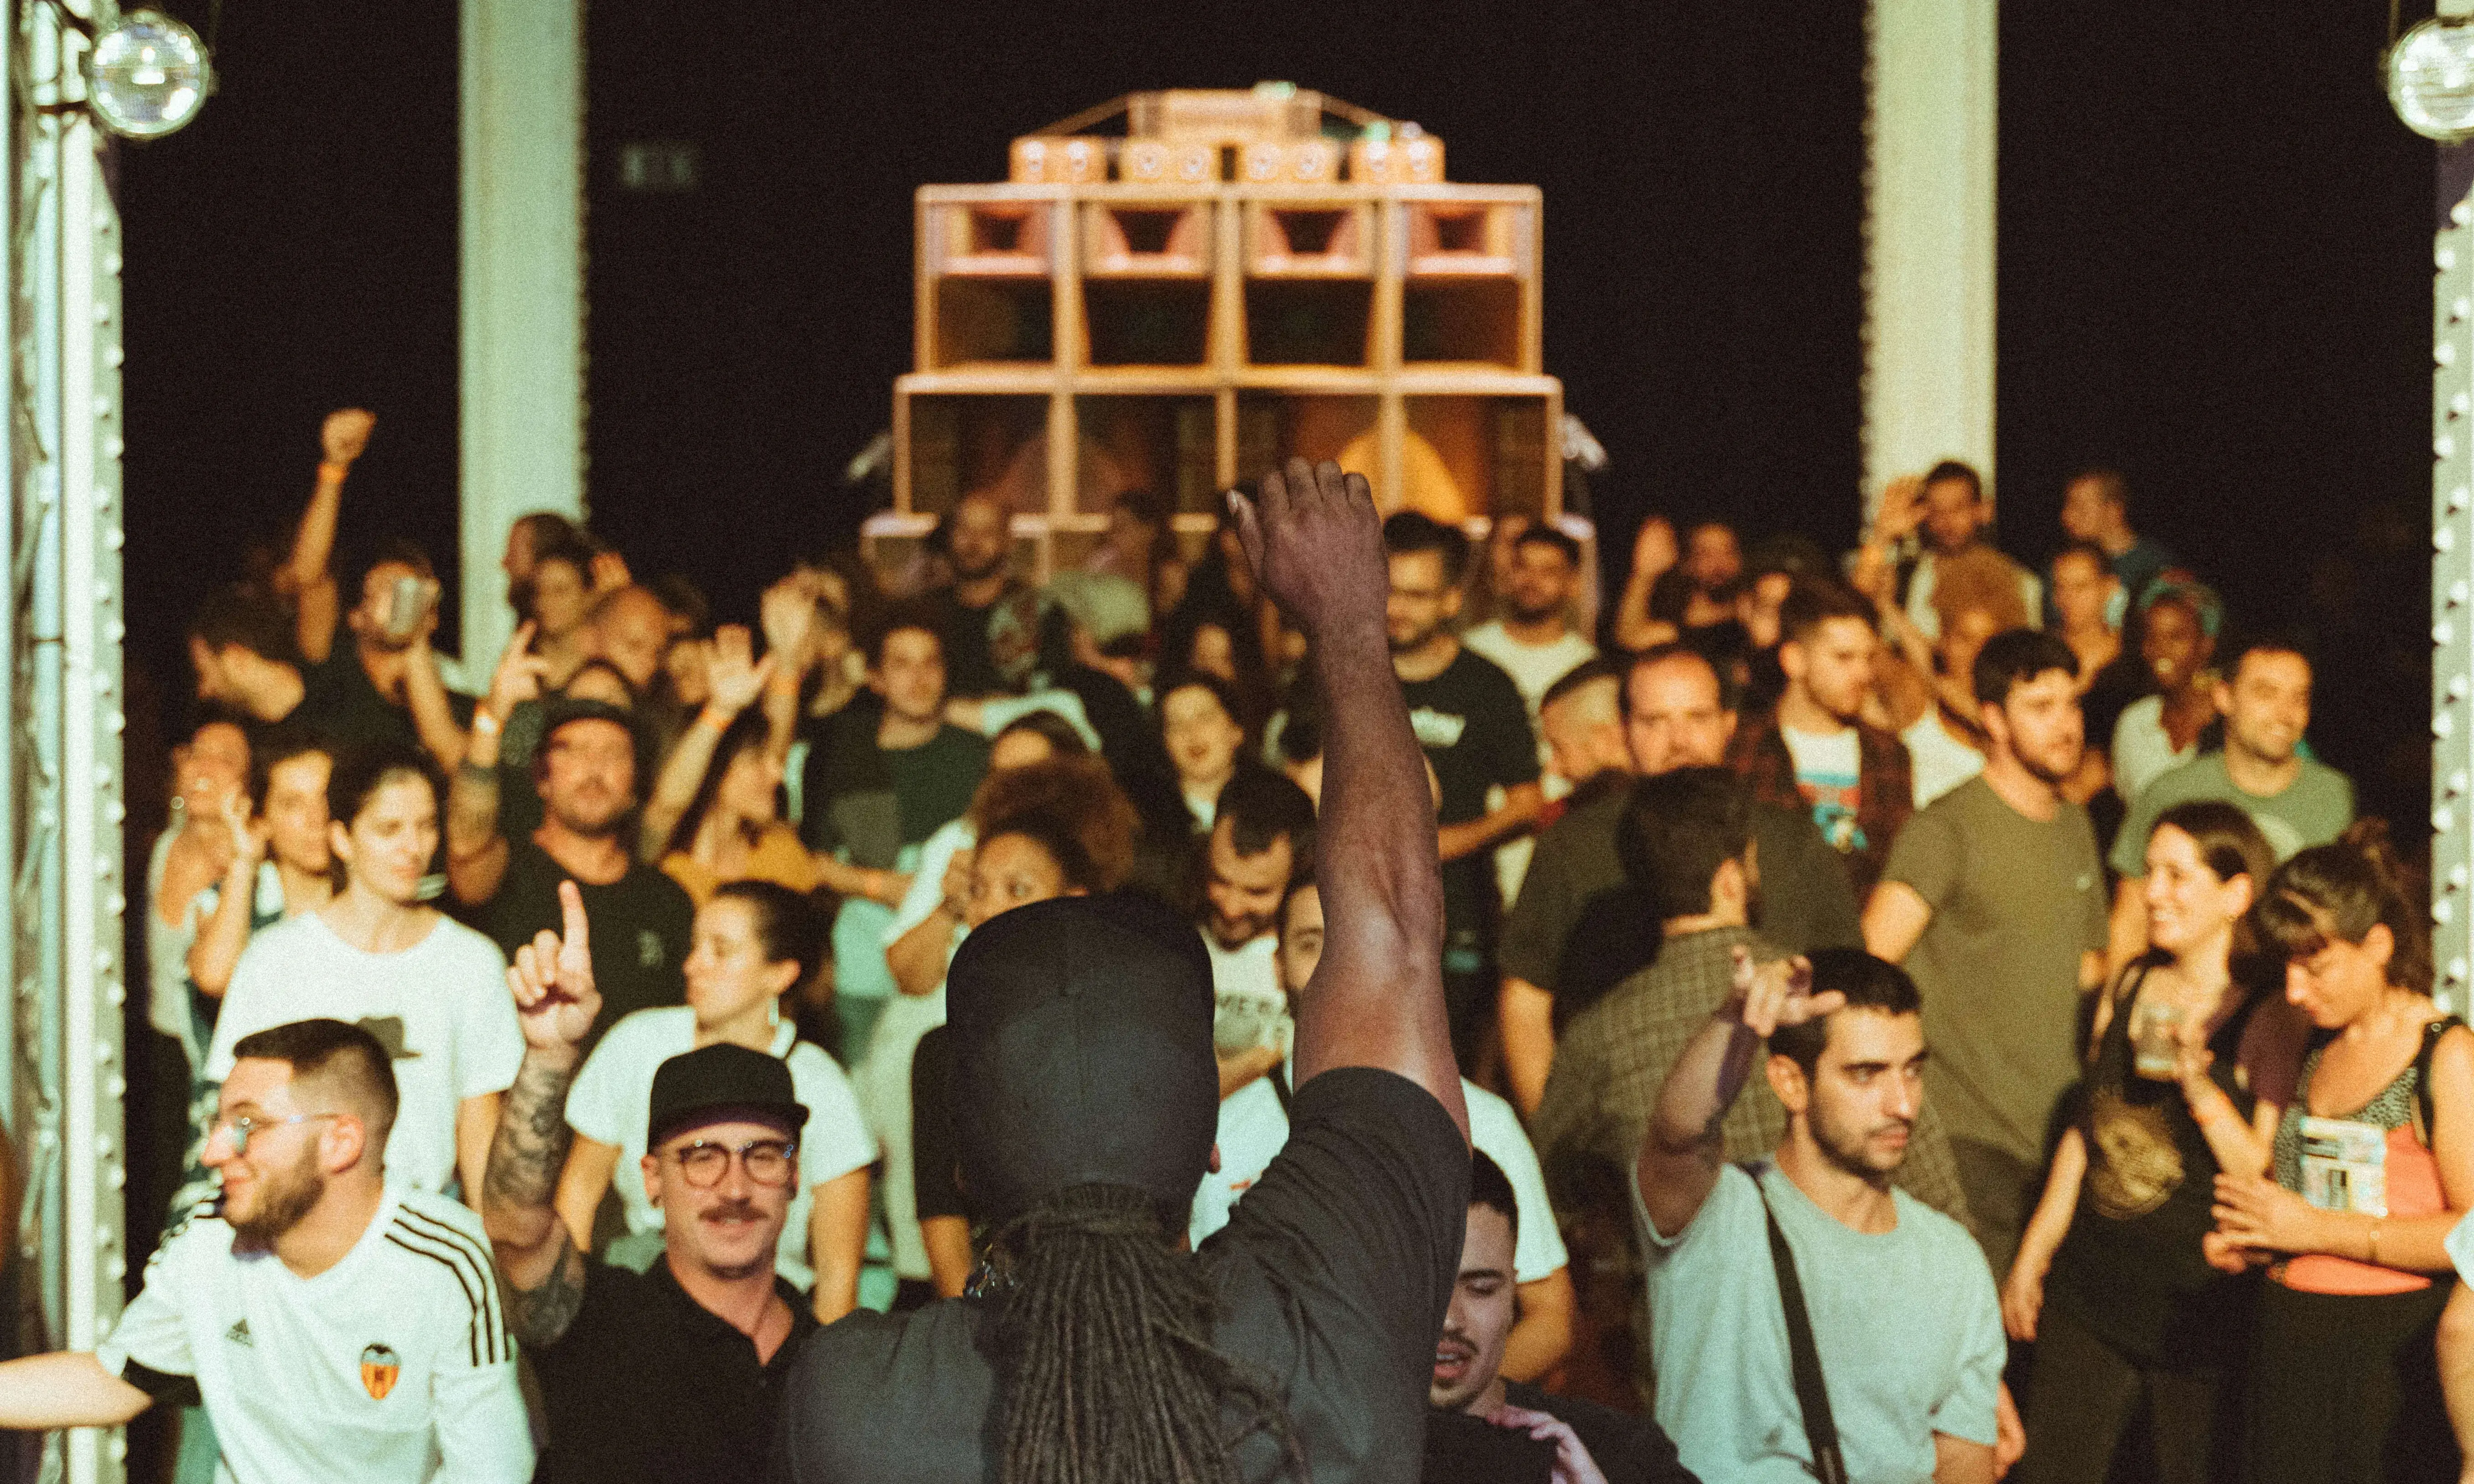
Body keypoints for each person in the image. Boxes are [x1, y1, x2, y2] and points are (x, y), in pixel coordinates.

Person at [781, 457, 1473, 1483]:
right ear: (1208, 1144)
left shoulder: (856, 1398)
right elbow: (1395, 938)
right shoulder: (1330, 1303)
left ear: (963, 1165)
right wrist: (1349, 630)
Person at [0, 1019, 532, 1479]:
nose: (213, 1151)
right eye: (219, 1124)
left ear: (341, 1141)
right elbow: (117, 1381)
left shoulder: (446, 1262)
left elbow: (493, 1470)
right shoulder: (209, 1236)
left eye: (247, 1125)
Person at [1532, 769, 1974, 1283]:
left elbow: (1548, 1192)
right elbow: (1938, 1198)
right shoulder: (1825, 998)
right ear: (1731, 877)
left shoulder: (1602, 1031)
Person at [484, 885, 827, 1481]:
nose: (735, 1186)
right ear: (652, 1179)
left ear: (795, 1175)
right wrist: (548, 1057)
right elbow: (516, 1226)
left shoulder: (836, 1363)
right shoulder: (602, 1324)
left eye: (763, 1155)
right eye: (701, 1157)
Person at [1634, 946, 2006, 1482]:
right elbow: (1676, 1135)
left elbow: (1963, 1463)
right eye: (1865, 1074)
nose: (1902, 1103)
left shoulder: (1954, 1261)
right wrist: (1737, 1022)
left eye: (1913, 1071)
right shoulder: (1720, 1213)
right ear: (1789, 1082)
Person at [2003, 803, 2292, 1484]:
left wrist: (2200, 1086)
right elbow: (2089, 1128)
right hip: (2092, 1290)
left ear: (2236, 893)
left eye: (2176, 875)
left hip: (2191, 1311)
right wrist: (2037, 1245)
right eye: (2150, 871)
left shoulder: (2268, 1010)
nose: (2153, 892)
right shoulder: (2132, 980)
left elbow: (2263, 1170)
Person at [1196, 875, 1579, 1385]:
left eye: (1355, 945)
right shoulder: (1225, 1131)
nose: (1337, 970)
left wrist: (1430, 1425)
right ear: (1277, 963)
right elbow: (1199, 1323)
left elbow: (1551, 1320)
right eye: (1312, 944)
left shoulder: (1483, 1123)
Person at [2211, 825, 2473, 1484]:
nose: (2295, 989)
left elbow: (2473, 1234)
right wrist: (2261, 1238)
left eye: (2316, 965)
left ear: (2378, 945)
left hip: (2387, 1355)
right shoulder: (2311, 1039)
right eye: (2288, 966)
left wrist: (2315, 1230)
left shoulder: (2443, 1054)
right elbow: (2299, 1189)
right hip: (2288, 1342)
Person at [1495, 646, 1862, 1116]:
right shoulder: (1574, 845)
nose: (1679, 740)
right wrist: (1553, 1136)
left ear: (1729, 725)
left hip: (1767, 1114)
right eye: (1655, 722)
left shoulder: (1791, 838)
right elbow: (1525, 996)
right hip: (1622, 1118)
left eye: (1697, 718)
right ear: (1625, 731)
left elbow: (1849, 976)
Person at [1864, 628, 2109, 1277]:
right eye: (2041, 707)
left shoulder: (2076, 825)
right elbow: (1871, 963)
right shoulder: (1947, 828)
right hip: (1964, 1136)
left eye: (2072, 704)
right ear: (1994, 720)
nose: (2065, 724)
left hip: (2055, 1138)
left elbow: (2089, 968)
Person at [208, 745, 523, 1199]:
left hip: (423, 1218)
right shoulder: (276, 958)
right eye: (389, 829)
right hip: (297, 1219)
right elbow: (240, 1115)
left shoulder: (471, 962)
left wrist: (486, 1250)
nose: (413, 848)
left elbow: (480, 1129)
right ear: (341, 839)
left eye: (426, 826)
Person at [552, 881, 874, 1318]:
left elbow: (839, 1276)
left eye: (720, 951)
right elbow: (579, 1195)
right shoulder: (637, 1042)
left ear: (779, 974)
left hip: (769, 1302)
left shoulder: (822, 1086)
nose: (692, 966)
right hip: (647, 1294)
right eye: (695, 946)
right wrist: (577, 1320)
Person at [910, 801, 1133, 1298]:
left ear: (1072, 903)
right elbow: (943, 1217)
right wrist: (968, 1333)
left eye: (1017, 889)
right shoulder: (942, 1053)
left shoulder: (1114, 1039)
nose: (988, 909)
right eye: (978, 889)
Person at [1421, 1151, 1694, 1484]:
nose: (1451, 1319)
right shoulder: (1347, 1454)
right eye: (1428, 1287)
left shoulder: (1620, 1453)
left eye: (1481, 1289)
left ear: (1513, 1296)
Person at [1386, 509, 1546, 1066]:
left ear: (1452, 600)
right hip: (1356, 906)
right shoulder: (1341, 675)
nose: (1395, 609)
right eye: (1386, 590)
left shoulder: (1486, 686)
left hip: (1459, 914)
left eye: (1416, 594)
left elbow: (1529, 801)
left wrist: (1444, 843)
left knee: (1446, 1070)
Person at [450, 696, 695, 1053]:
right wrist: (490, 720)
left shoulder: (669, 902)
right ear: (541, 779)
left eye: (614, 753)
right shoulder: (503, 869)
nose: (595, 767)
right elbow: (466, 843)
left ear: (635, 788)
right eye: (574, 750)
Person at [2110, 638, 2354, 976]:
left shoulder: (2336, 797)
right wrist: (2115, 1013)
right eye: (2267, 694)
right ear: (2224, 698)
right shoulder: (2173, 792)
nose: (2286, 715)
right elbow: (2132, 916)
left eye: (2299, 698)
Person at [1726, 578, 1912, 901]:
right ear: (1794, 660)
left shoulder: (1889, 754)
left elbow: (1899, 873)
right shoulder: (1745, 747)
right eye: (1843, 658)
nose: (1863, 674)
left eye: (1868, 658)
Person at [1853, 461, 2042, 644]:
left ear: (1983, 510)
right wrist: (1882, 536)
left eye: (1958, 508)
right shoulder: (1908, 571)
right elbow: (1853, 607)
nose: (1947, 521)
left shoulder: (2010, 576)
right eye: (1936, 511)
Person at [1199, 768, 1318, 1053]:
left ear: (1297, 876)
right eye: (1220, 881)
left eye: (1258, 892)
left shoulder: (1315, 963)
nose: (1231, 908)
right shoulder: (1168, 943)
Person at [2110, 578, 2222, 808]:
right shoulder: (2134, 723)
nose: (2160, 649)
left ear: (2206, 645)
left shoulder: (2231, 722)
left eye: (2176, 637)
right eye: (2152, 637)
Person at [930, 491, 1031, 700]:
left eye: (987, 533)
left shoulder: (1037, 611)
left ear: (1008, 541)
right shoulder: (927, 612)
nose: (973, 543)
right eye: (965, 531)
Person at [2052, 467, 2175, 623]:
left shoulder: (2157, 564)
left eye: (2079, 507)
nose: (2066, 516)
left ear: (2113, 511)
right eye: (2067, 506)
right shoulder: (2063, 565)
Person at [1161, 671, 1252, 830]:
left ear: (1236, 731)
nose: (1192, 732)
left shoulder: (1274, 802)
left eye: (1205, 718)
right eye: (1176, 724)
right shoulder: (1150, 819)